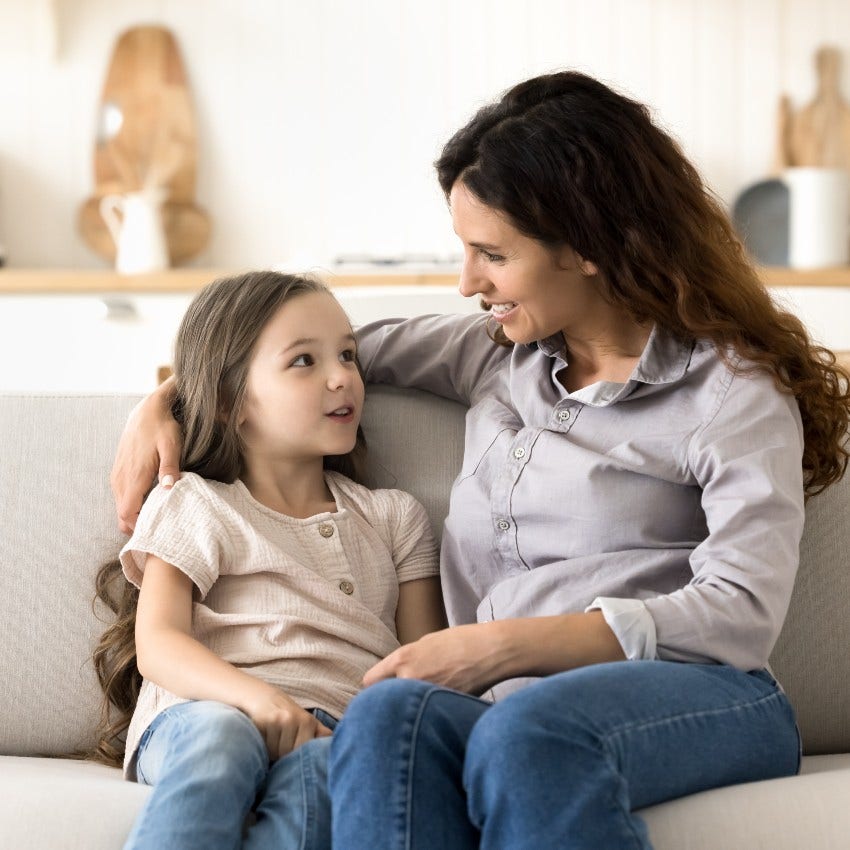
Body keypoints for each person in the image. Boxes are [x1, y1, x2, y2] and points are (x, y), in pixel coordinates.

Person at [109, 71, 850, 849]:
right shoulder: (496, 353)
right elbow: (284, 350)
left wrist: (500, 648)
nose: (467, 283)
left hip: (701, 695)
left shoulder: (733, 390)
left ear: (589, 245)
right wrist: (164, 401)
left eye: (491, 253)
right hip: (506, 703)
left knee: (529, 729)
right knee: (387, 714)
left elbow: (740, 614)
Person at [92, 270, 444, 850]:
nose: (343, 378)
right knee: (222, 739)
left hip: (331, 734)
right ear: (232, 401)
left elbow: (424, 667)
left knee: (323, 782)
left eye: (349, 355)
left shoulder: (393, 517)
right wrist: (257, 700)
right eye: (304, 361)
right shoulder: (197, 501)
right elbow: (158, 645)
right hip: (203, 713)